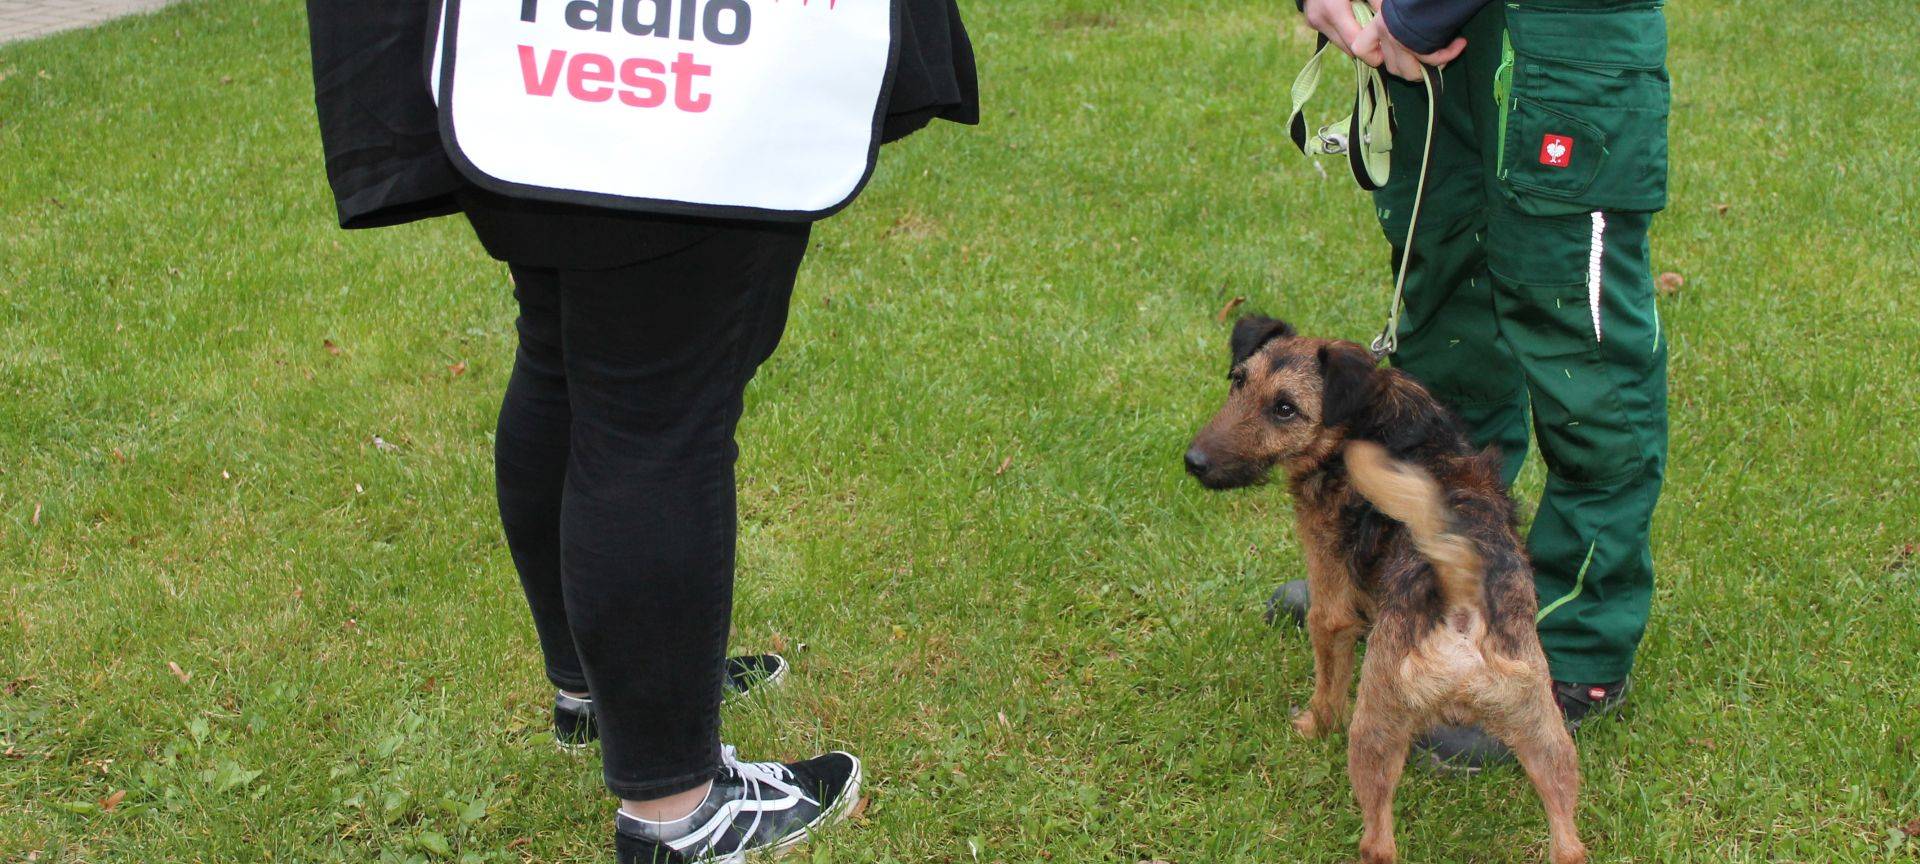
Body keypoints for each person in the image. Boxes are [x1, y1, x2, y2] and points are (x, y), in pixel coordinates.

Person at [304, 3, 978, 860]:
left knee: (564, 352)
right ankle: (679, 809)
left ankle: (607, 690)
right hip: (685, 64)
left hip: (536, 53)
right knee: (659, 411)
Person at [1271, 0, 1671, 767]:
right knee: (1445, 307)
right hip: (1434, 43)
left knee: (1585, 365)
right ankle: (1424, 575)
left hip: (1560, 41)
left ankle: (1574, 640)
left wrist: (1416, 11)